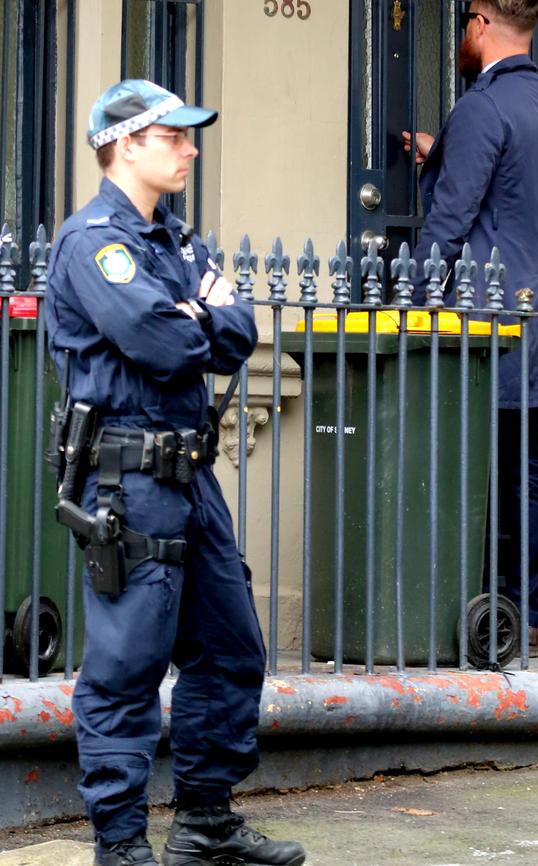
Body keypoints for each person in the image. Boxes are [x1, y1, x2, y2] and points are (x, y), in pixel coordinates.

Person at [46, 80, 306, 866]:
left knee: (233, 650)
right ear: (126, 144)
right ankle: (121, 844)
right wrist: (195, 313)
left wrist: (197, 314)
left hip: (192, 477)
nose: (191, 150)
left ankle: (205, 823)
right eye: (175, 137)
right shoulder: (94, 242)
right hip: (126, 482)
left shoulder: (179, 242)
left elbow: (237, 332)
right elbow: (164, 342)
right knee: (126, 668)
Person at [403, 0, 538, 657]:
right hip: (532, 308)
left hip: (477, 320)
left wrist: (412, 306)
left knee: (466, 468)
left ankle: (468, 610)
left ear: (479, 22)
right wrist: (439, 154)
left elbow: (453, 219)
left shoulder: (481, 105)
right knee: (524, 466)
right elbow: (511, 189)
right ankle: (523, 614)